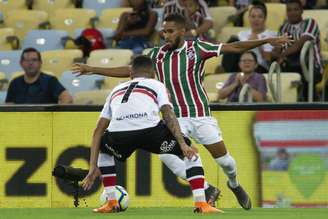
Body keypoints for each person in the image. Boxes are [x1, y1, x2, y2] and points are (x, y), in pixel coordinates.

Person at [73, 13, 291, 210]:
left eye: (170, 31)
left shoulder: (197, 48)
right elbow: (131, 70)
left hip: (200, 115)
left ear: (182, 31)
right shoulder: (156, 55)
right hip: (174, 119)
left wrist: (267, 40)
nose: (165, 35)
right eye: (163, 31)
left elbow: (233, 47)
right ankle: (206, 189)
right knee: (172, 160)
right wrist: (92, 69)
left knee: (225, 162)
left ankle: (234, 184)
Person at [81, 55, 223, 214]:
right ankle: (201, 204)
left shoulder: (116, 89)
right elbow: (167, 112)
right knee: (192, 154)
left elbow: (98, 130)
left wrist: (93, 166)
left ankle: (111, 202)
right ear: (153, 73)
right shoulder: (156, 84)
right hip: (150, 132)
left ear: (130, 73)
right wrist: (183, 144)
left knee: (105, 150)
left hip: (119, 135)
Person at [272, 0, 323, 101]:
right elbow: (276, 50)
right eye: (289, 10)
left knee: (300, 57)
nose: (292, 12)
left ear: (302, 11)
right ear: (286, 12)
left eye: (296, 9)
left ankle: (311, 105)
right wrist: (276, 53)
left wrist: (281, 55)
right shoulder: (283, 28)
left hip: (312, 66)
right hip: (291, 66)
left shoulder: (310, 23)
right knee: (277, 69)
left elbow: (300, 45)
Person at [5, 48, 73, 104]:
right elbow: (9, 106)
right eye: (27, 60)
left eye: (34, 60)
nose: (30, 63)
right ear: (21, 63)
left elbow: (67, 98)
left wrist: (58, 116)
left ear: (40, 63)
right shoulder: (15, 83)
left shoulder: (50, 81)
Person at [238, 1, 276, 72]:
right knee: (232, 41)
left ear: (264, 19)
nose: (256, 20)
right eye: (253, 16)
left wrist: (258, 44)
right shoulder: (242, 34)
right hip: (241, 65)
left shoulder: (271, 36)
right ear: (248, 18)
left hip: (260, 67)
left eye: (260, 17)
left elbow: (268, 59)